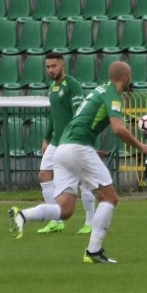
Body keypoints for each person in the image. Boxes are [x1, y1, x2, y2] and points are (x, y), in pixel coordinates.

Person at [9, 61, 147, 264]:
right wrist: (142, 147)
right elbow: (118, 129)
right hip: (78, 147)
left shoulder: (98, 90)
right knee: (110, 198)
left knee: (65, 210)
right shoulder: (112, 94)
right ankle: (93, 251)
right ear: (126, 77)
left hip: (62, 149)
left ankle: (22, 216)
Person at [37, 52, 96, 235]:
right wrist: (47, 138)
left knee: (85, 181)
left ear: (62, 65)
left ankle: (91, 222)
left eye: (54, 66)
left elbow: (79, 114)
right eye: (47, 67)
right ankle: (56, 221)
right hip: (56, 141)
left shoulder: (73, 86)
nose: (50, 70)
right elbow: (54, 117)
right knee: (44, 175)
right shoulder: (52, 88)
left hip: (72, 141)